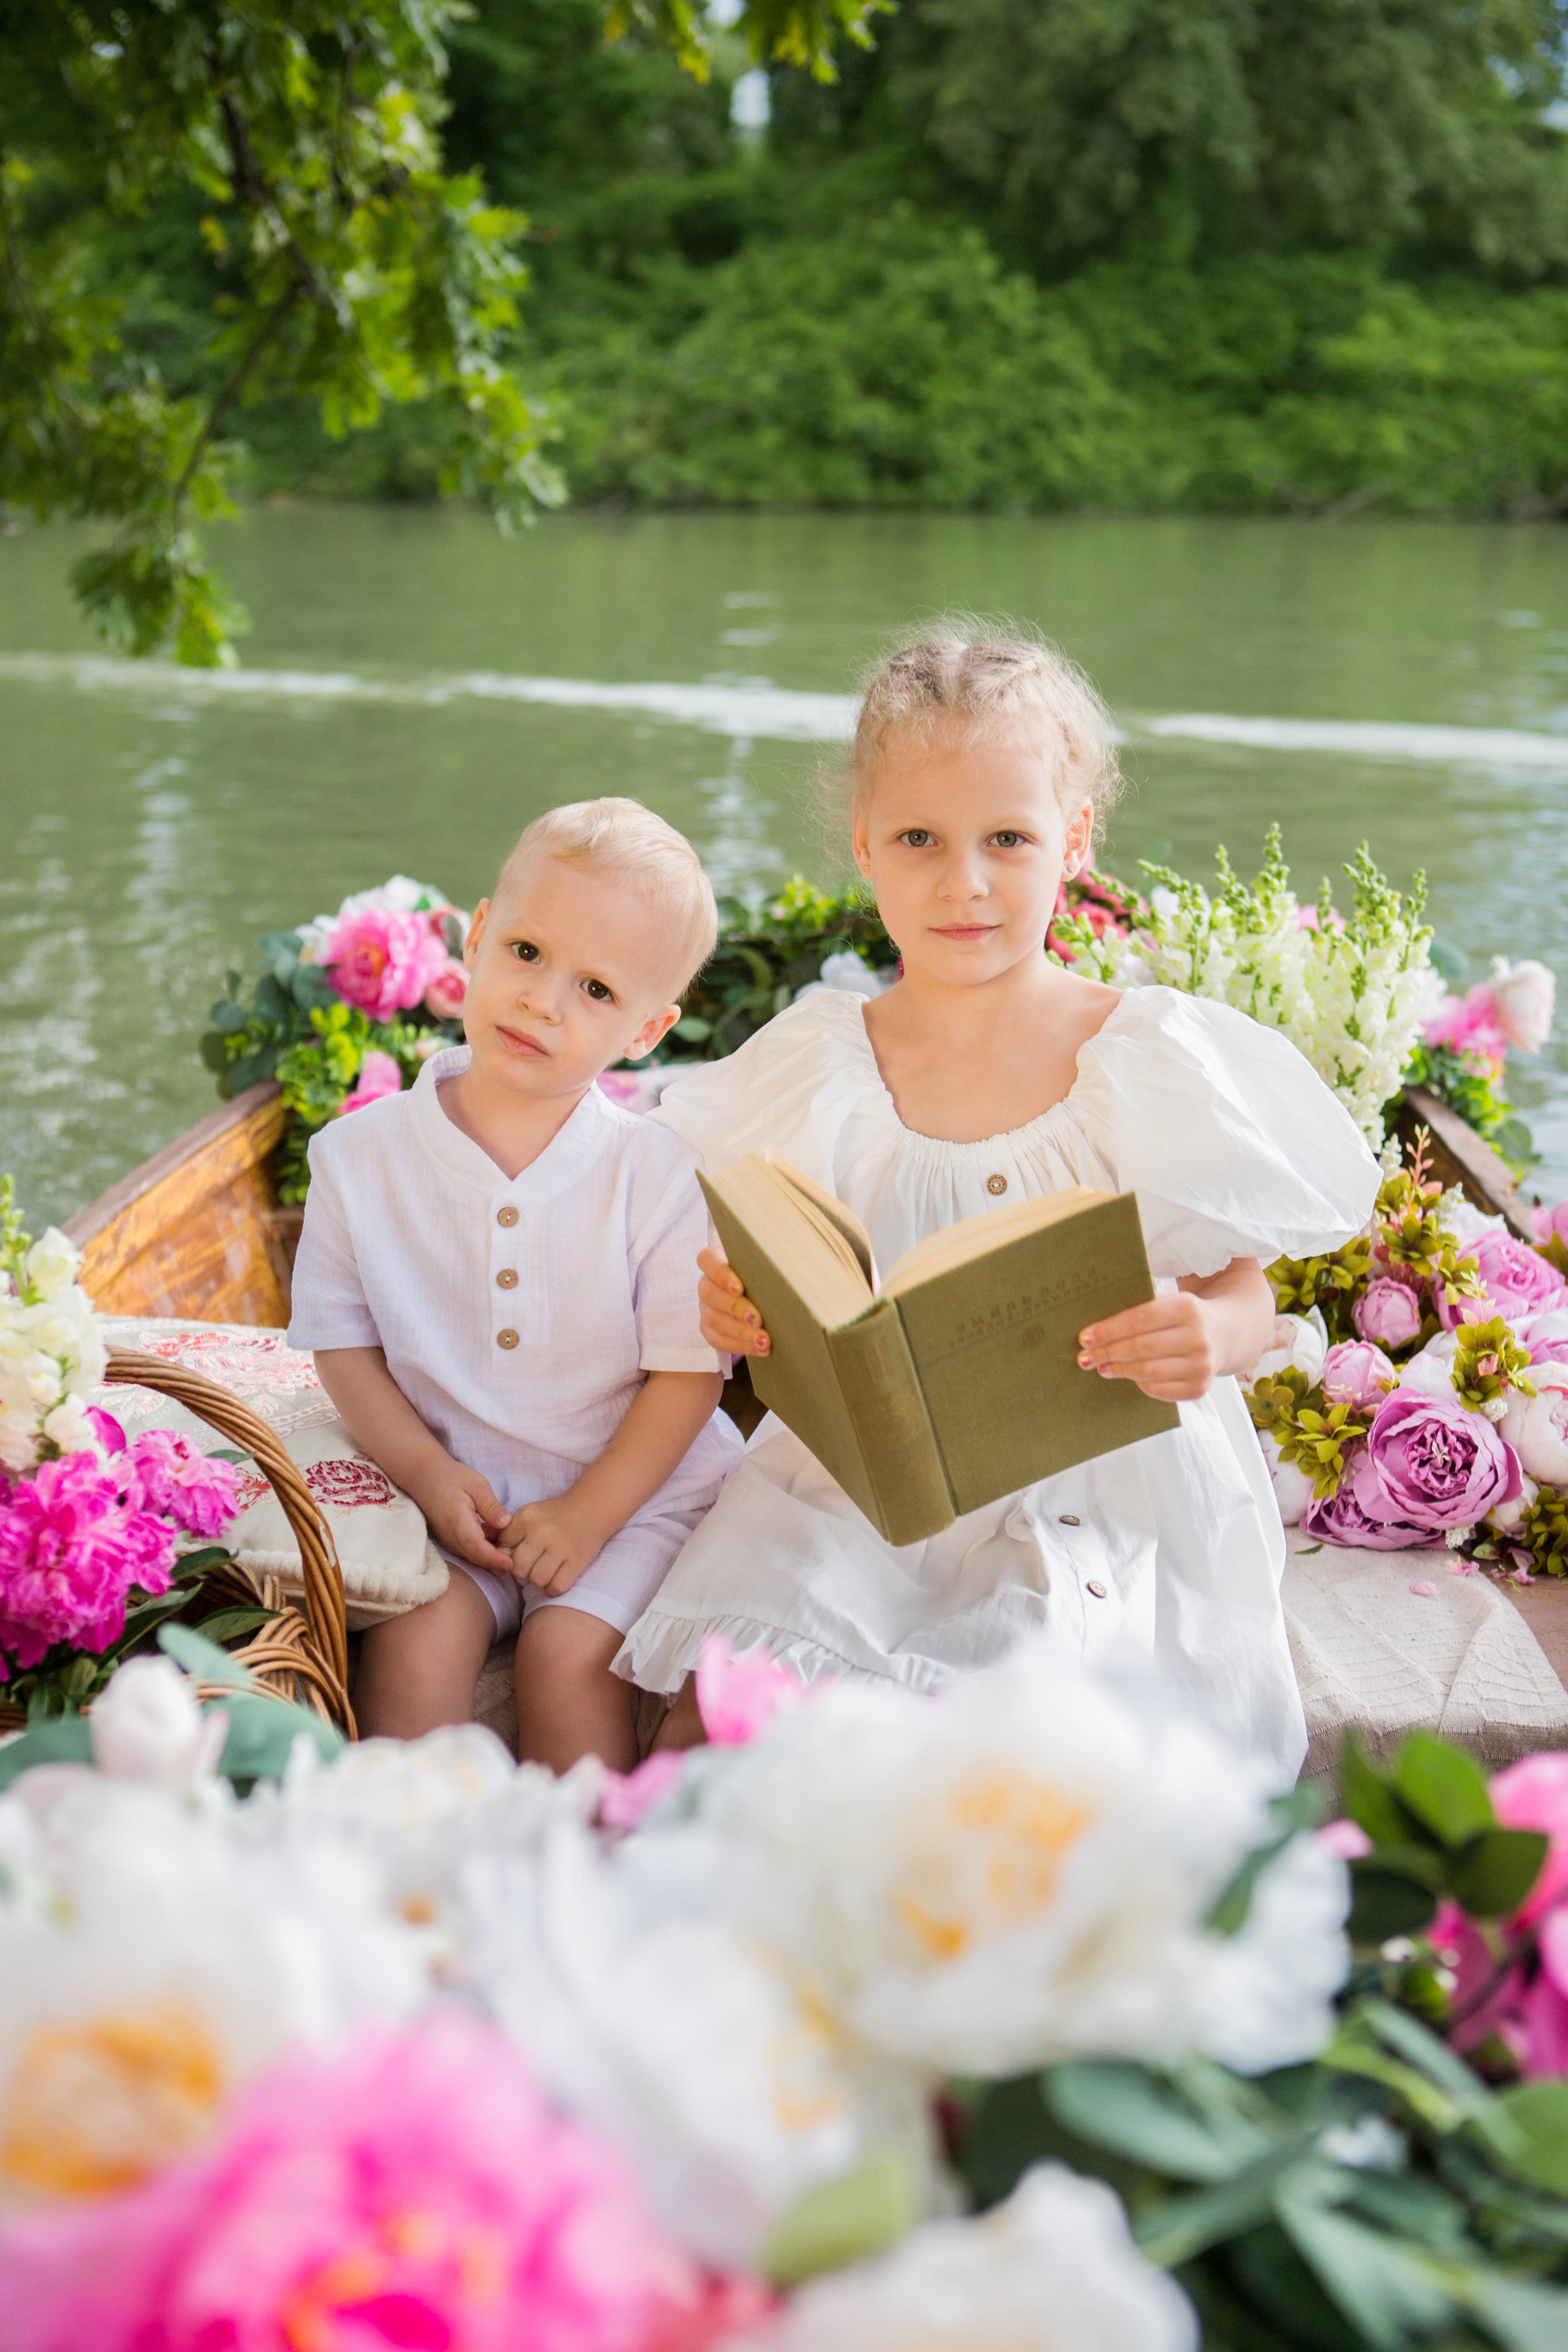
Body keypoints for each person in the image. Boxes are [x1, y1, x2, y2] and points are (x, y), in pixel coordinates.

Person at [616, 627, 1380, 1776]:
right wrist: (745, 1315)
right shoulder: (824, 1061)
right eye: (919, 838)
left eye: (1007, 840)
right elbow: (790, 1263)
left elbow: (1248, 1287)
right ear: (864, 845)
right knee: (728, 1717)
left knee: (1051, 1728)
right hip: (874, 1484)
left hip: (1106, 1475)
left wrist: (1214, 1334)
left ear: (1073, 842)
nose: (962, 881)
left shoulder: (1144, 1053)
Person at [287, 799, 742, 1771]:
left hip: (635, 1497)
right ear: (479, 935)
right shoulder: (358, 1159)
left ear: (647, 1030)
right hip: (460, 1497)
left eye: (596, 989)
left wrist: (589, 1518)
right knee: (415, 1636)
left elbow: (688, 1377)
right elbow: (344, 1345)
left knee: (564, 1654)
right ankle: (402, 1862)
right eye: (529, 952)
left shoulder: (656, 1175)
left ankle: (584, 1867)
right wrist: (424, 1474)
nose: (543, 1002)